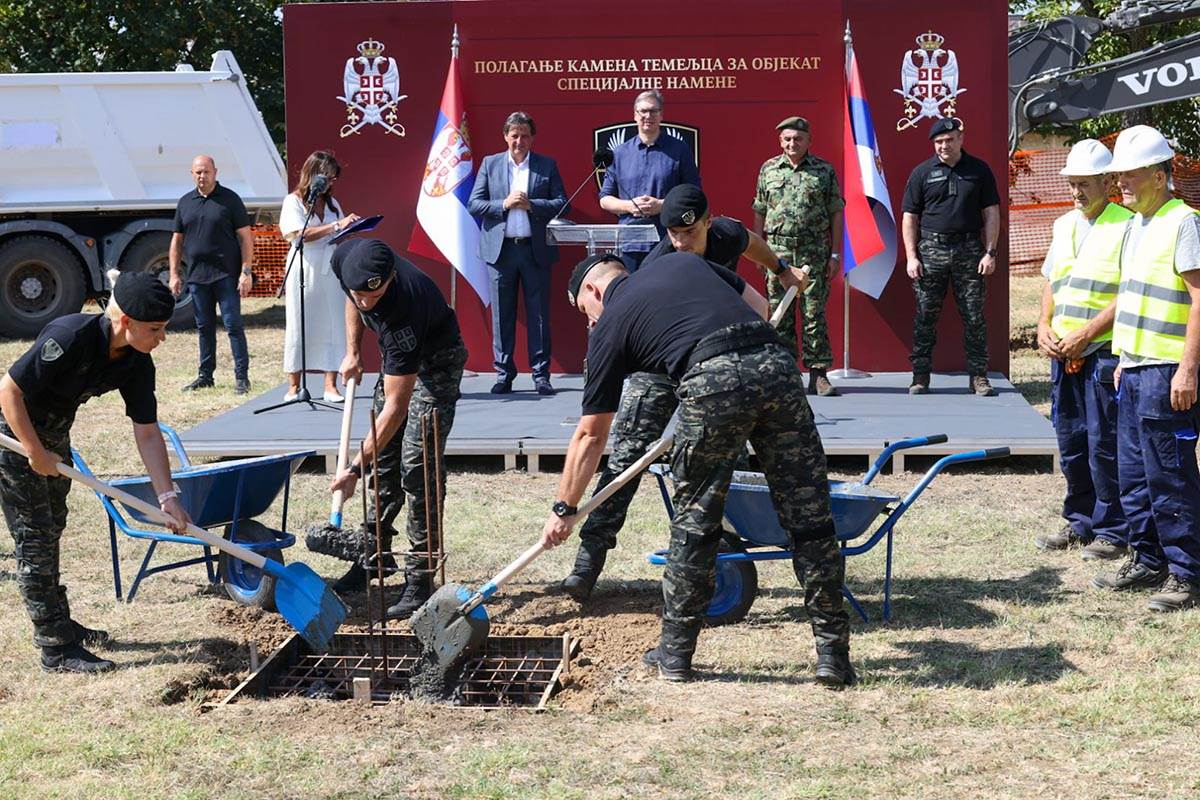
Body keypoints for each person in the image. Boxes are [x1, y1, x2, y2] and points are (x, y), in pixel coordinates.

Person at [542, 252, 853, 687]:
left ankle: (675, 654)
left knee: (696, 522)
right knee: (811, 517)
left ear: (593, 291)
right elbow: (757, 307)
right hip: (777, 365)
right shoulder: (686, 264)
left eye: (585, 311)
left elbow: (591, 435)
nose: (590, 322)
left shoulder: (613, 322)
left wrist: (564, 507)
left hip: (712, 378)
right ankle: (834, 656)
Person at [560, 184, 808, 601]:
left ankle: (729, 552)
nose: (679, 242)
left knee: (736, 452)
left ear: (709, 224)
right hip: (658, 362)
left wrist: (782, 269)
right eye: (672, 233)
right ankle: (588, 561)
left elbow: (751, 247)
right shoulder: (666, 262)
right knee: (627, 457)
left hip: (714, 360)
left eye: (688, 234)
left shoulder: (725, 234)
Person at [0, 272, 190, 673]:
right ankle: (56, 648)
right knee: (34, 538)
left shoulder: (137, 362)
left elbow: (148, 432)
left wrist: (167, 497)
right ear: (126, 322)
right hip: (15, 436)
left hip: (53, 438)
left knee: (53, 528)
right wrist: (34, 452)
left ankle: (59, 619)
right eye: (155, 329)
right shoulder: (70, 337)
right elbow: (8, 391)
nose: (162, 337)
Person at [326, 239, 467, 619]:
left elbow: (396, 407)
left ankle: (420, 577)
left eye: (373, 295)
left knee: (417, 466)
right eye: (360, 294)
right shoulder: (347, 259)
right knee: (383, 462)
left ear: (389, 279)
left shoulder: (405, 308)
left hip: (436, 362)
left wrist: (354, 468)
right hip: (395, 363)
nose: (365, 303)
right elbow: (351, 298)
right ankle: (374, 557)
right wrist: (354, 351)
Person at [1092, 125, 1200, 612]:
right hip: (1134, 368)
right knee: (1134, 473)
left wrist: (1188, 370)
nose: (1123, 185)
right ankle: (1147, 557)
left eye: (1131, 175)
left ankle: (1187, 572)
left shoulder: (1184, 222)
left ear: (1160, 176)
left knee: (1170, 475)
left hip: (1166, 372)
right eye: (1120, 176)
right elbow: (1133, 297)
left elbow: (1199, 300)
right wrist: (1124, 359)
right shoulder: (1136, 225)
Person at [1033, 140, 1131, 561]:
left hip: (1103, 350)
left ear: (1108, 182)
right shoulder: (1063, 224)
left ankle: (1113, 528)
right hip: (1064, 353)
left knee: (1104, 442)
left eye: (1085, 184)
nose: (1077, 192)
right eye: (1072, 184)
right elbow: (1052, 283)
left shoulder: (1127, 225)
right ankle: (1081, 521)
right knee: (1071, 440)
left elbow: (1130, 294)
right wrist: (1042, 325)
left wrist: (1087, 333)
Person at [467, 112, 568, 395]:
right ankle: (503, 374)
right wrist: (505, 203)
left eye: (524, 135)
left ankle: (540, 375)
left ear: (532, 137)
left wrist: (531, 204)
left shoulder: (546, 165)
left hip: (534, 251)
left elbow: (562, 203)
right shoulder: (490, 164)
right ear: (505, 136)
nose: (519, 141)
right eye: (514, 135)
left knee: (538, 316)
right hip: (501, 252)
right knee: (502, 316)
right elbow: (474, 204)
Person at [901, 118, 1001, 396]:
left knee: (974, 316)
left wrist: (990, 251)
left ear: (960, 139)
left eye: (949, 140)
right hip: (931, 250)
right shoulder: (921, 172)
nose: (944, 146)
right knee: (925, 316)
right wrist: (912, 256)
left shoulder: (979, 170)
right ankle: (920, 377)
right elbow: (910, 216)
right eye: (938, 142)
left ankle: (979, 377)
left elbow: (991, 212)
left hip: (970, 251)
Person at [752, 116, 845, 396]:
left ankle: (818, 374)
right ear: (780, 141)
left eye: (798, 139)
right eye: (787, 139)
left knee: (814, 313)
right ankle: (786, 374)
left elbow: (835, 211)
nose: (792, 143)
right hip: (777, 252)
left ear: (808, 141)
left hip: (813, 250)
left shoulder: (823, 171)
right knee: (781, 314)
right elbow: (759, 210)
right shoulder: (768, 169)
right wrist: (759, 253)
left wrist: (836, 253)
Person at [169, 155, 255, 395]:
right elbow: (176, 241)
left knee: (232, 326)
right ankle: (205, 376)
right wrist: (174, 274)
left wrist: (245, 271)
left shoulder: (230, 200)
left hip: (226, 275)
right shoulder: (186, 202)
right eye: (197, 172)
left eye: (206, 171)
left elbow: (246, 237)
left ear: (215, 172)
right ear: (191, 173)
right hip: (197, 278)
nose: (202, 176)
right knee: (204, 327)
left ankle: (242, 378)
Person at [280, 151, 361, 402]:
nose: (331, 183)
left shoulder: (333, 204)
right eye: (327, 177)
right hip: (304, 266)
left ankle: (330, 385)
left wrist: (348, 229)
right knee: (299, 321)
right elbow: (299, 234)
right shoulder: (292, 201)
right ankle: (294, 386)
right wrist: (336, 226)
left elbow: (336, 231)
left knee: (334, 322)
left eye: (334, 179)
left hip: (331, 267)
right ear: (314, 175)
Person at [599, 90, 701, 271]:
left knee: (665, 295)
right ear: (635, 116)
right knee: (631, 295)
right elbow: (605, 198)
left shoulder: (679, 150)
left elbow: (693, 193)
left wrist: (663, 205)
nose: (648, 116)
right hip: (629, 243)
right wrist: (630, 206)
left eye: (654, 111)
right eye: (643, 111)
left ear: (662, 115)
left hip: (668, 240)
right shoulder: (620, 153)